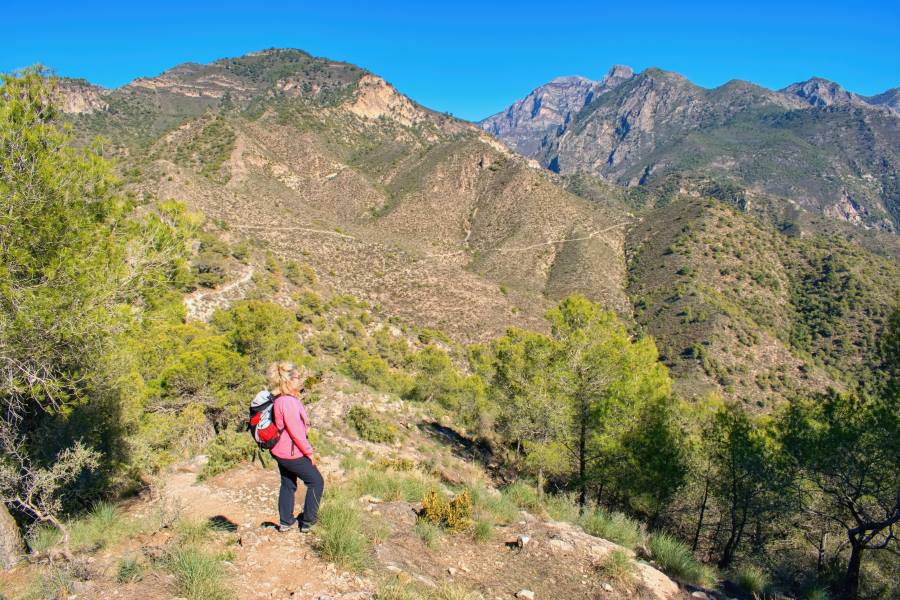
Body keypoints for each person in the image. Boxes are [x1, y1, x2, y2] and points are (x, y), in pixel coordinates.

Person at [267, 361, 324, 532]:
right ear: (289, 380)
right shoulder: (288, 402)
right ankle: (308, 522)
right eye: (297, 377)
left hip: (280, 451)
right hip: (291, 453)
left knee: (288, 483)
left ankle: (286, 522)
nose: (300, 380)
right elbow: (296, 433)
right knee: (316, 481)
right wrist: (309, 453)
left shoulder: (280, 399)